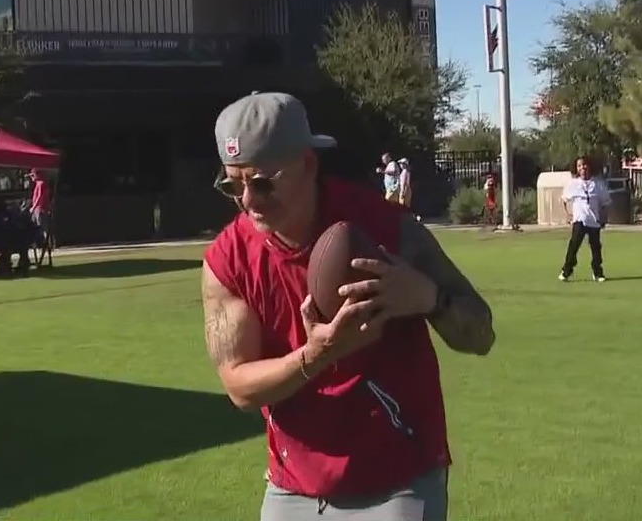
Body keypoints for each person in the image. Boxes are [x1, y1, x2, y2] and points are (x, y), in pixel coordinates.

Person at [202, 91, 495, 521]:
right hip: (292, 484)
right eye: (232, 184)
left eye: (263, 182)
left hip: (398, 481)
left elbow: (481, 334)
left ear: (307, 164)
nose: (248, 200)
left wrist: (428, 297)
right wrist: (318, 353)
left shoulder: (387, 229)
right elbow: (239, 388)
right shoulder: (228, 259)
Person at [559, 156, 611, 282]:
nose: (582, 168)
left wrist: (604, 218)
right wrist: (568, 215)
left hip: (594, 221)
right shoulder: (573, 184)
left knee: (596, 248)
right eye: (579, 166)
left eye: (584, 165)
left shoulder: (598, 184)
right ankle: (567, 270)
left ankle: (597, 272)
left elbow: (605, 204)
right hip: (579, 220)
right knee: (574, 246)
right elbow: (565, 200)